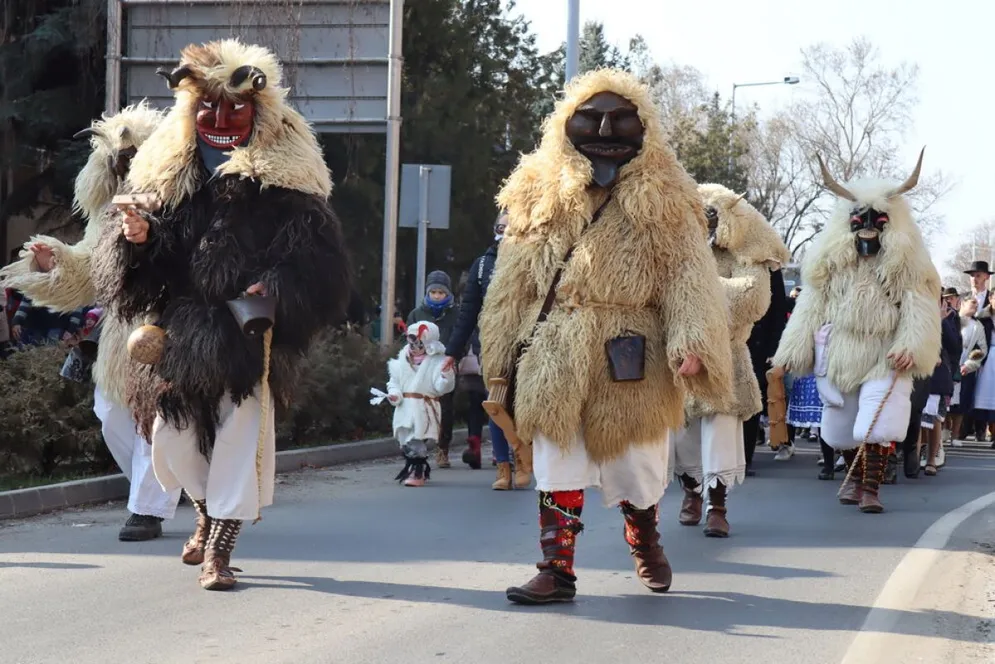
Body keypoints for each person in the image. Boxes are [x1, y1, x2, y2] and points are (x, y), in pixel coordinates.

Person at [94, 39, 352, 590]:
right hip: (180, 330)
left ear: (259, 112)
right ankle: (206, 511)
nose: (220, 117)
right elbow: (146, 269)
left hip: (248, 328)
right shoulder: (172, 181)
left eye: (234, 107)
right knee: (170, 436)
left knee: (239, 432)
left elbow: (320, 264)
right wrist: (137, 240)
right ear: (192, 111)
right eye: (208, 106)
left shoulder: (287, 185)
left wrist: (274, 286)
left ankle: (221, 547)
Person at [479, 69, 734, 604]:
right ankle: (557, 570)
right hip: (555, 348)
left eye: (621, 120)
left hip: (633, 350)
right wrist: (499, 361)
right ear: (566, 126)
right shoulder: (535, 192)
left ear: (644, 128)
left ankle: (643, 536)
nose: (605, 130)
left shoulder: (670, 195)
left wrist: (691, 343)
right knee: (556, 459)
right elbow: (511, 287)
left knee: (636, 467)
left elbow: (688, 275)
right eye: (591, 119)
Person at [1, 104, 181, 540]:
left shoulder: (180, 206)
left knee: (158, 418)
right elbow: (89, 271)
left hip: (172, 325)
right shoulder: (106, 216)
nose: (125, 165)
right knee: (111, 414)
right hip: (121, 332)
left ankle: (147, 509)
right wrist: (52, 264)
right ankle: (163, 482)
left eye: (133, 155)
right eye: (117, 159)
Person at [772, 149, 941, 513]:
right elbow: (810, 307)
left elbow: (919, 306)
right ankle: (852, 477)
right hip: (840, 352)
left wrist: (911, 346)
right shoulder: (831, 266)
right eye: (858, 219)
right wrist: (790, 353)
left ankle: (870, 488)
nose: (867, 226)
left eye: (877, 220)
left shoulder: (908, 267)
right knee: (841, 426)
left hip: (885, 353)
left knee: (879, 422)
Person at [672, 184, 790, 538]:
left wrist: (695, 290)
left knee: (720, 430)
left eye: (710, 215)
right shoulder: (679, 251)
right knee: (683, 435)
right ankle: (691, 491)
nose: (704, 223)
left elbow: (752, 299)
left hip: (727, 354)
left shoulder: (744, 254)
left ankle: (717, 505)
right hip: (679, 352)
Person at [444, 212, 529, 490]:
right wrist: (453, 351)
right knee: (496, 404)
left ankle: (521, 456)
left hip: (525, 345)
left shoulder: (530, 260)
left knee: (519, 406)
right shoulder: (482, 266)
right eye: (500, 227)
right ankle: (503, 467)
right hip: (490, 346)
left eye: (510, 227)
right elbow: (468, 311)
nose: (504, 232)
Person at [381, 322, 456, 487]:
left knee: (416, 438)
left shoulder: (437, 362)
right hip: (404, 407)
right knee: (405, 440)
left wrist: (446, 376)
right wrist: (394, 394)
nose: (415, 347)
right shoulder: (401, 361)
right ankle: (414, 466)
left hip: (424, 407)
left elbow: (441, 387)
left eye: (420, 344)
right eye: (412, 343)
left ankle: (418, 470)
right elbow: (393, 382)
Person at [407, 271, 461, 468]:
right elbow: (409, 340)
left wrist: (455, 358)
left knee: (445, 409)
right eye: (434, 292)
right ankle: (418, 448)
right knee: (420, 407)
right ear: (427, 293)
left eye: (441, 292)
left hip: (445, 366)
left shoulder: (456, 314)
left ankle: (443, 448)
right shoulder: (416, 314)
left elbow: (461, 337)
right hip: (421, 369)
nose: (437, 296)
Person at [743, 266, 789, 475]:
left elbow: (778, 310)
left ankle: (744, 457)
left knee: (751, 401)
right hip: (726, 340)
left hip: (758, 346)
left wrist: (774, 348)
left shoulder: (769, 264)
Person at [948, 296, 987, 442]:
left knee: (962, 403)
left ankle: (955, 435)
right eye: (972, 304)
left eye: (977, 305)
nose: (975, 307)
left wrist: (969, 365)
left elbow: (982, 349)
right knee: (946, 401)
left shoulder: (978, 326)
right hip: (950, 364)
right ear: (962, 303)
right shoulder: (952, 319)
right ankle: (944, 431)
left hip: (965, 367)